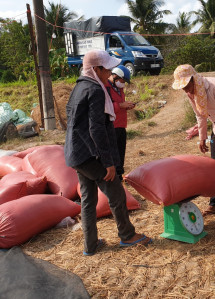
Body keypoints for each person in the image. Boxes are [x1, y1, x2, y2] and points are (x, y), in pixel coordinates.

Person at [64, 50, 151, 256]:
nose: (110, 71)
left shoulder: (79, 86)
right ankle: (128, 235)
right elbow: (96, 129)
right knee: (116, 193)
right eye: (107, 68)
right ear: (96, 69)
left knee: (88, 199)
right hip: (90, 154)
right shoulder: (95, 90)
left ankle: (91, 245)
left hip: (76, 153)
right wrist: (107, 162)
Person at [172, 64, 215, 216]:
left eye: (187, 85)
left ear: (194, 79)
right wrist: (202, 138)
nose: (186, 90)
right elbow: (200, 115)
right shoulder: (191, 93)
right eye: (182, 88)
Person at [105, 65, 135, 181]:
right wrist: (120, 105)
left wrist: (126, 106)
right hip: (112, 126)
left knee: (120, 152)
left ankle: (119, 175)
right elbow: (104, 106)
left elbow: (119, 103)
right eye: (123, 80)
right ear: (115, 76)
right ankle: (114, 177)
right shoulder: (105, 87)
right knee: (113, 154)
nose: (123, 83)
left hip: (121, 125)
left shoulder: (119, 88)